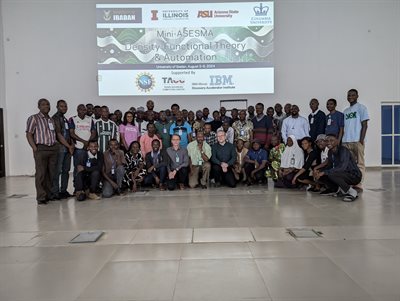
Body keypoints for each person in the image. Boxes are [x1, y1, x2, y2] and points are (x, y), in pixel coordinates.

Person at [26, 98, 59, 205]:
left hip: (53, 148)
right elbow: (29, 134)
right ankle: (41, 197)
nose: (46, 106)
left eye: (48, 104)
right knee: (41, 174)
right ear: (39, 107)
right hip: (41, 148)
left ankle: (48, 195)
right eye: (43, 104)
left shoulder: (51, 119)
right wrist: (34, 148)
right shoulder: (34, 118)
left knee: (51, 173)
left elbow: (56, 134)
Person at [314, 134, 362, 201]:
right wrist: (319, 172)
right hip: (343, 174)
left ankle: (352, 192)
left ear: (337, 141)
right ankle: (338, 190)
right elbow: (329, 166)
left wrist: (324, 172)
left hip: (354, 175)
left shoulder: (343, 150)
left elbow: (342, 167)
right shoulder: (330, 152)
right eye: (327, 141)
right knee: (322, 175)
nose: (329, 143)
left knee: (331, 174)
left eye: (331, 140)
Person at [342, 89, 369, 189]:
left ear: (357, 96)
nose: (350, 97)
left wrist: (361, 140)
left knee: (360, 163)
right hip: (346, 141)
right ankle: (352, 181)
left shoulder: (362, 108)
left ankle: (358, 184)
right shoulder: (345, 111)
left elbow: (365, 125)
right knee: (349, 163)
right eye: (349, 95)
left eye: (353, 95)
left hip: (357, 140)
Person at [69, 104, 96, 192]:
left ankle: (86, 187)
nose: (83, 111)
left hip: (88, 148)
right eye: (81, 109)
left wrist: (88, 143)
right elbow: (72, 133)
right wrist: (83, 141)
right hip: (79, 148)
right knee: (78, 168)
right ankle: (77, 188)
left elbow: (93, 132)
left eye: (84, 110)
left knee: (88, 168)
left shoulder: (90, 119)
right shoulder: (73, 119)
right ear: (77, 110)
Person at [51, 100, 74, 200]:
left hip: (67, 150)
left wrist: (72, 145)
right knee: (57, 171)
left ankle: (63, 191)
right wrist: (69, 146)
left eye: (65, 106)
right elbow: (58, 134)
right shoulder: (54, 118)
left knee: (66, 170)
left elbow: (69, 134)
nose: (64, 108)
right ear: (57, 107)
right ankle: (55, 192)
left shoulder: (65, 119)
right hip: (60, 149)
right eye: (61, 106)